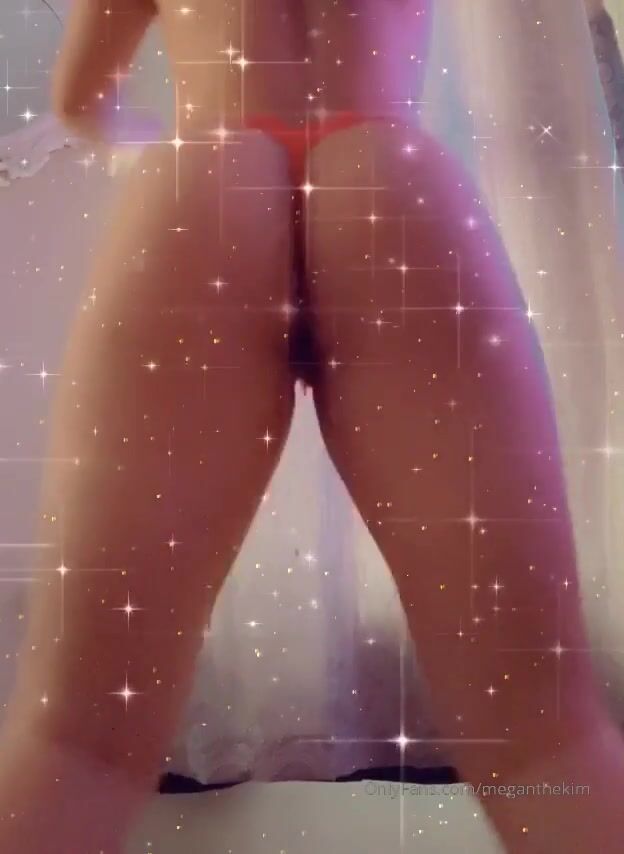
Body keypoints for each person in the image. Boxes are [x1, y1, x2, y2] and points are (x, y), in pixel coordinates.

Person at [0, 0, 623, 851]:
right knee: (544, 738)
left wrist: (143, 157)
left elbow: (82, 101)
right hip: (386, 170)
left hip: (207, 178)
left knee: (78, 743)